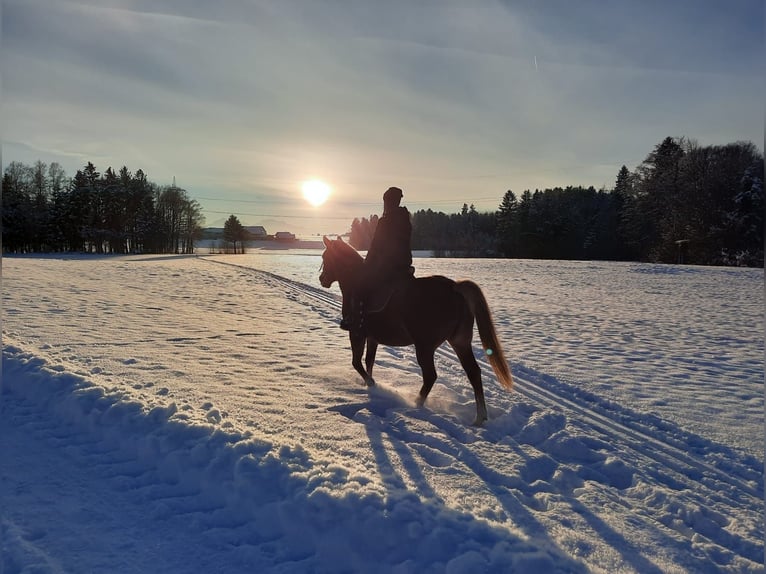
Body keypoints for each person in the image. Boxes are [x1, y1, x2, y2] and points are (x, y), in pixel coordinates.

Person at [340, 186, 413, 331]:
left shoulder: (385, 221)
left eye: (386, 201)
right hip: (404, 265)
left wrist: (367, 264)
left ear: (389, 202)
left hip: (387, 266)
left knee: (359, 286)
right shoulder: (405, 219)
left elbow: (376, 246)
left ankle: (358, 323)